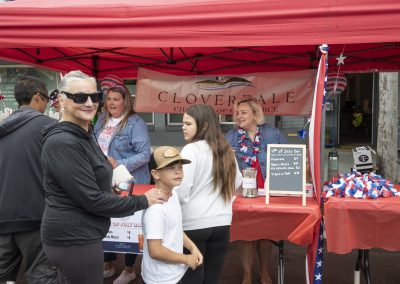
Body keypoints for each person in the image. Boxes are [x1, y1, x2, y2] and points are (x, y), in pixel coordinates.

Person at [40, 70, 168, 284]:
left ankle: (127, 268)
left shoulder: (85, 132)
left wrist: (108, 185)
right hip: (74, 237)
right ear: (62, 100)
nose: (90, 103)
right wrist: (145, 200)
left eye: (95, 97)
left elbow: (91, 178)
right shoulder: (64, 142)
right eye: (79, 97)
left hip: (82, 232)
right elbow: (91, 199)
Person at [0, 76, 58, 283]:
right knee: (42, 276)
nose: (49, 103)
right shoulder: (50, 127)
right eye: (47, 98)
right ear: (37, 97)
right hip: (38, 217)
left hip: (4, 217)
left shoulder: (4, 126)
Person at [94, 75, 151, 284]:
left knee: (129, 224)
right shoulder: (101, 120)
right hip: (104, 181)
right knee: (107, 221)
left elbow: (145, 154)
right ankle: (108, 264)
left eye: (116, 99)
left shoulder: (135, 123)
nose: (111, 103)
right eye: (109, 99)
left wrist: (118, 163)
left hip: (129, 180)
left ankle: (129, 269)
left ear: (125, 101)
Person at [175, 104, 242, 284]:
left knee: (191, 279)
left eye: (188, 124)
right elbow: (237, 183)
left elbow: (181, 190)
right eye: (183, 123)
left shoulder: (191, 149)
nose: (183, 127)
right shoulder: (226, 148)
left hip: (193, 224)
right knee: (212, 278)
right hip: (222, 223)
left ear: (203, 126)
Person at [225, 97, 287, 284]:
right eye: (237, 113)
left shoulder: (272, 133)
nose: (238, 116)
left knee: (265, 234)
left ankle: (264, 271)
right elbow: (221, 164)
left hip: (267, 192)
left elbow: (290, 156)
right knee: (246, 235)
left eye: (243, 112)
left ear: (255, 114)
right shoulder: (230, 136)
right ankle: (246, 274)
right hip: (242, 193)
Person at [141, 146, 203, 284]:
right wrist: (186, 259)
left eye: (180, 167)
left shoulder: (173, 194)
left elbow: (175, 229)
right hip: (161, 279)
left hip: (173, 273)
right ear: (155, 174)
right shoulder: (156, 209)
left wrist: (193, 247)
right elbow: (155, 251)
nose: (177, 171)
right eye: (170, 167)